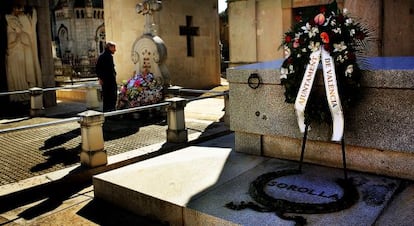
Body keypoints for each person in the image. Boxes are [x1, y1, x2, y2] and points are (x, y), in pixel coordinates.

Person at [96, 41, 117, 112]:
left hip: (109, 80)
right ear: (110, 47)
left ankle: (109, 112)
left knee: (109, 97)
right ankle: (110, 113)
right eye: (114, 48)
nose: (115, 50)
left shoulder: (106, 56)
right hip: (107, 81)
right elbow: (98, 68)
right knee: (110, 97)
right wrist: (100, 78)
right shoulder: (104, 56)